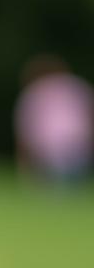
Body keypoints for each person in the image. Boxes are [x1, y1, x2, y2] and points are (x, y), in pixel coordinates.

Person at [14, 56, 93, 184]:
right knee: (74, 181)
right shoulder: (77, 86)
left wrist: (24, 167)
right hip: (80, 141)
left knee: (57, 185)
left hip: (50, 145)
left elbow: (26, 129)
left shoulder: (34, 91)